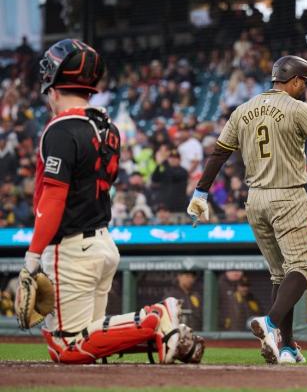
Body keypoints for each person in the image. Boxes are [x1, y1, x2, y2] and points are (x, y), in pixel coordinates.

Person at [23, 39, 203, 364]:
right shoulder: (108, 126)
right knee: (93, 340)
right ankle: (167, 335)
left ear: (53, 83)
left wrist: (32, 257)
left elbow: (53, 198)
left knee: (66, 349)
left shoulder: (61, 130)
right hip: (102, 244)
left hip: (71, 249)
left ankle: (156, 316)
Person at [187, 55, 307, 364]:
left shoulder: (243, 109)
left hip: (255, 201)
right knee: (304, 268)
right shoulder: (296, 107)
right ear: (293, 81)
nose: (305, 89)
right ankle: (270, 323)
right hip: (288, 195)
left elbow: (219, 152)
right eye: (304, 83)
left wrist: (201, 191)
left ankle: (288, 346)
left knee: (281, 273)